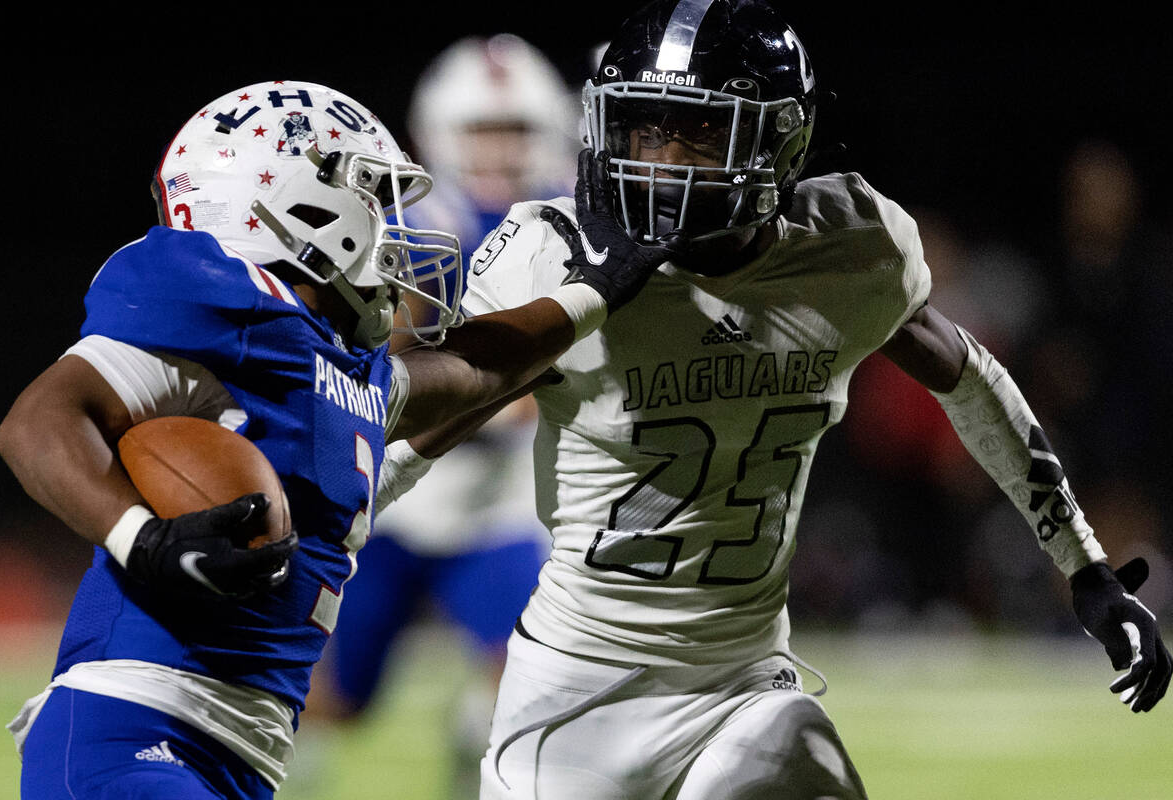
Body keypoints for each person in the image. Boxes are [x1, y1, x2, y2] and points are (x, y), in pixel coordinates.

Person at [378, 3, 1172, 798]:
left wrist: (1085, 566)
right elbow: (432, 425)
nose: (658, 161)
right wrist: (311, 532)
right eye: (642, 130)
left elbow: (970, 380)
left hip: (747, 687)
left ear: (776, 142)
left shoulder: (845, 248)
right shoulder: (556, 256)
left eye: (695, 133)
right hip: (574, 695)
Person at [0, 79, 675, 799]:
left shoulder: (332, 365)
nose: (392, 231)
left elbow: (472, 372)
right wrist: (146, 539)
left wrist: (595, 290)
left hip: (235, 750)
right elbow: (39, 422)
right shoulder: (220, 300)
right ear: (295, 204)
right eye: (374, 200)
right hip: (134, 726)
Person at [301, 36, 582, 797]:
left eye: (515, 132)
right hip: (397, 497)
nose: (498, 151)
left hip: (501, 506)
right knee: (336, 701)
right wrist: (487, 390)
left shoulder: (571, 219)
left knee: (527, 668)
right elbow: (386, 355)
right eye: (484, 132)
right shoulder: (417, 222)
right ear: (439, 132)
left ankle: (477, 764)